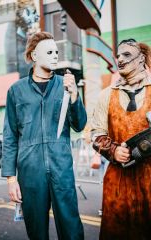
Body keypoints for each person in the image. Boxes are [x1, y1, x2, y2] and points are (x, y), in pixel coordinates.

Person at [2, 31, 87, 240]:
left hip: (61, 167)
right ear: (33, 56)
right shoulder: (16, 90)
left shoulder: (65, 86)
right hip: (30, 172)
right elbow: (10, 135)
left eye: (56, 51)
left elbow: (79, 125)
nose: (55, 55)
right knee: (36, 231)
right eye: (49, 51)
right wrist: (11, 179)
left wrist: (75, 95)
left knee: (71, 228)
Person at [91, 39, 151, 239]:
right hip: (117, 182)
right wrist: (113, 150)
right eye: (118, 55)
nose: (119, 59)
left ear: (141, 59)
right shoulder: (105, 95)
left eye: (126, 55)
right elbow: (96, 134)